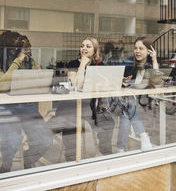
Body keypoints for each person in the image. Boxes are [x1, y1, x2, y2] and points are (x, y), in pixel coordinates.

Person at [50, 37, 115, 161]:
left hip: (90, 106)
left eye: (88, 46)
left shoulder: (100, 65)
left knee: (108, 121)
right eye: (82, 46)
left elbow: (104, 86)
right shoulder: (73, 64)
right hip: (71, 106)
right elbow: (76, 85)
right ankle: (71, 159)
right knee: (71, 128)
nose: (84, 48)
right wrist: (83, 65)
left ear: (95, 50)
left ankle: (104, 154)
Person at [0, 31, 53, 173]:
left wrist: (33, 64)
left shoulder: (27, 61)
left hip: (26, 105)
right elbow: (3, 85)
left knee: (45, 140)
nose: (24, 51)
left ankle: (28, 160)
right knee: (12, 141)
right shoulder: (6, 61)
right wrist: (17, 60)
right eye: (20, 49)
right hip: (5, 107)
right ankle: (5, 168)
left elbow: (41, 79)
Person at [116, 36, 162, 152]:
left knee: (125, 117)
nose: (137, 51)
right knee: (129, 106)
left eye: (141, 48)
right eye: (135, 48)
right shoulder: (128, 63)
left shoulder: (151, 64)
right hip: (129, 102)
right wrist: (122, 81)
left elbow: (158, 81)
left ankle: (120, 148)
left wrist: (154, 60)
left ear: (149, 51)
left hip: (145, 104)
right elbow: (117, 81)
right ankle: (143, 135)